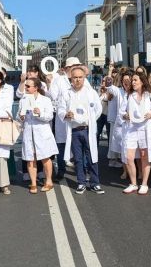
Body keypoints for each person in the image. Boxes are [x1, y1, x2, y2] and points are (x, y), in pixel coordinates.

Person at [58, 66, 104, 195]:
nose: (78, 80)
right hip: (74, 130)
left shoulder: (91, 92)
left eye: (80, 77)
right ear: (71, 79)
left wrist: (90, 120)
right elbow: (61, 109)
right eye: (75, 77)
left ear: (84, 78)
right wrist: (66, 114)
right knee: (78, 158)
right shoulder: (66, 93)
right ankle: (81, 182)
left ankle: (95, 183)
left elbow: (98, 109)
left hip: (88, 129)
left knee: (92, 157)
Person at [121, 71, 151, 195]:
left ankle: (144, 184)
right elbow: (121, 112)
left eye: (135, 80)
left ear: (142, 81)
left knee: (144, 156)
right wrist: (125, 115)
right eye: (132, 80)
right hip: (131, 128)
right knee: (129, 157)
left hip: (145, 128)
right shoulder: (128, 95)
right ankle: (133, 184)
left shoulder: (150, 95)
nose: (133, 82)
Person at [19, 77, 58, 193]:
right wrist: (21, 117)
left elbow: (49, 116)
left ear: (36, 88)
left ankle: (49, 181)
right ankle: (33, 183)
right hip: (28, 132)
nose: (26, 88)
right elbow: (19, 116)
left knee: (45, 158)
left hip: (42, 133)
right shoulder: (23, 100)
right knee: (30, 159)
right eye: (25, 86)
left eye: (28, 86)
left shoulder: (45, 100)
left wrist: (40, 113)